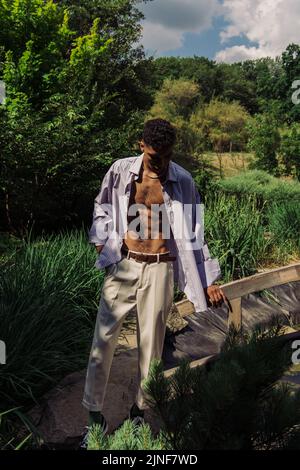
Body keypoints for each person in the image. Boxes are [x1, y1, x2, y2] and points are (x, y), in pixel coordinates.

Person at [80, 118, 227, 445]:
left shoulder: (183, 181)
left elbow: (195, 235)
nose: (160, 164)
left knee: (151, 348)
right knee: (102, 340)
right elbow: (102, 206)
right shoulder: (120, 171)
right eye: (154, 156)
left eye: (166, 156)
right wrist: (102, 243)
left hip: (160, 269)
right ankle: (94, 418)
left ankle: (138, 412)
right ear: (141, 145)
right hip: (125, 265)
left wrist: (209, 280)